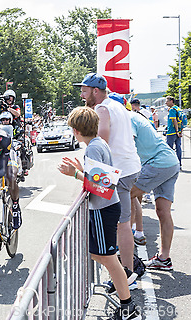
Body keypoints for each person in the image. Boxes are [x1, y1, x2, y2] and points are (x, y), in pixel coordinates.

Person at [58, 107, 141, 320]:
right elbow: (101, 177)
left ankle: (127, 306)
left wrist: (75, 173)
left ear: (76, 131)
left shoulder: (92, 149)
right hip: (106, 208)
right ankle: (124, 287)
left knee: (110, 259)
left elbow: (103, 185)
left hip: (103, 209)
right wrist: (83, 171)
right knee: (98, 254)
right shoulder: (98, 143)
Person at [75, 73, 141, 276]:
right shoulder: (117, 105)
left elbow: (101, 139)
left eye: (85, 91)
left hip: (119, 172)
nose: (82, 95)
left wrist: (83, 172)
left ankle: (127, 273)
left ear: (96, 91)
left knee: (122, 225)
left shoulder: (102, 108)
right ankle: (126, 269)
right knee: (124, 221)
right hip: (129, 167)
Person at [129, 111, 180, 270]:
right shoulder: (136, 116)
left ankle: (126, 257)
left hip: (157, 163)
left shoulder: (126, 119)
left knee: (126, 194)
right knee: (163, 211)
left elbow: (127, 145)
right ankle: (164, 258)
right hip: (170, 162)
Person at [165, 96, 183, 169]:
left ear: (171, 101)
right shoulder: (177, 108)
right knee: (178, 147)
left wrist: (176, 131)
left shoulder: (172, 110)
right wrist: (180, 131)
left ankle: (171, 164)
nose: (166, 103)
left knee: (169, 149)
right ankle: (179, 163)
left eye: (167, 101)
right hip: (178, 132)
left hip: (172, 132)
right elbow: (181, 121)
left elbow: (174, 120)